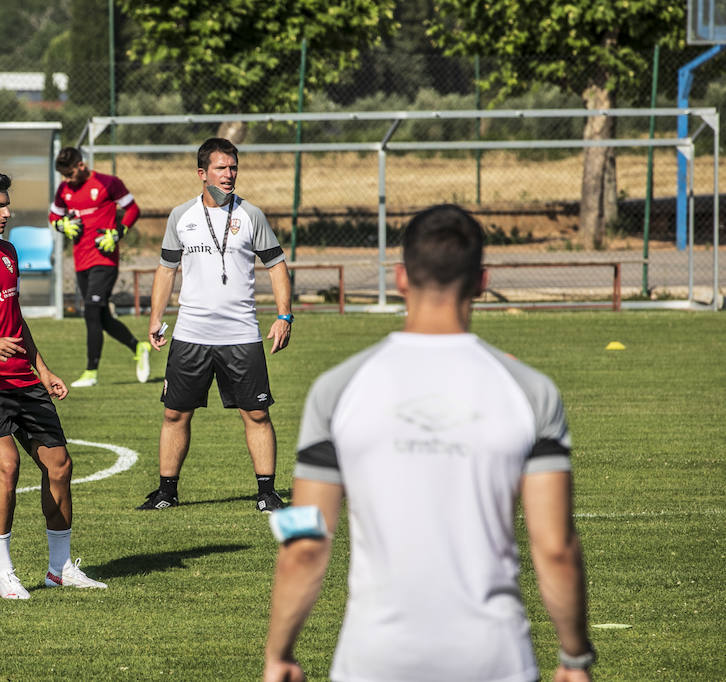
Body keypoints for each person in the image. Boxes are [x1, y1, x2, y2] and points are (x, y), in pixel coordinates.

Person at [262, 205, 594, 682]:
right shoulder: (528, 390)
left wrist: (279, 654)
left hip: (373, 659)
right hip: (494, 658)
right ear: (481, 281)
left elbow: (306, 542)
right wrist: (574, 657)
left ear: (400, 278)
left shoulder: (338, 389)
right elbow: (555, 546)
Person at [0, 168, 106, 600]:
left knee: (61, 467)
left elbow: (16, 320)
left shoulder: (7, 252)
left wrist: (42, 370)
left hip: (24, 381)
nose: (7, 212)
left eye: (7, 204)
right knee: (7, 465)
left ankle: (59, 569)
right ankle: (2, 572)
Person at [137, 137, 294, 514]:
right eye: (221, 168)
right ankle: (166, 492)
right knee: (175, 413)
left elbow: (276, 265)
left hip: (241, 334)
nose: (229, 174)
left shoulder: (251, 215)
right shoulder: (181, 216)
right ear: (202, 173)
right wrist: (156, 316)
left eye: (233, 167)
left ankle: (267, 493)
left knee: (256, 414)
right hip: (191, 334)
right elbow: (165, 269)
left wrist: (284, 315)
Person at [48, 147, 151, 387]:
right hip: (81, 260)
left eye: (70, 174)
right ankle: (138, 347)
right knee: (101, 316)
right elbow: (54, 216)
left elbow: (133, 209)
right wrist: (63, 225)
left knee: (92, 310)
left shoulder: (108, 183)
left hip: (104, 259)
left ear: (81, 166)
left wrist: (118, 232)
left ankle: (91, 372)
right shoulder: (64, 190)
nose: (68, 180)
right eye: (64, 176)